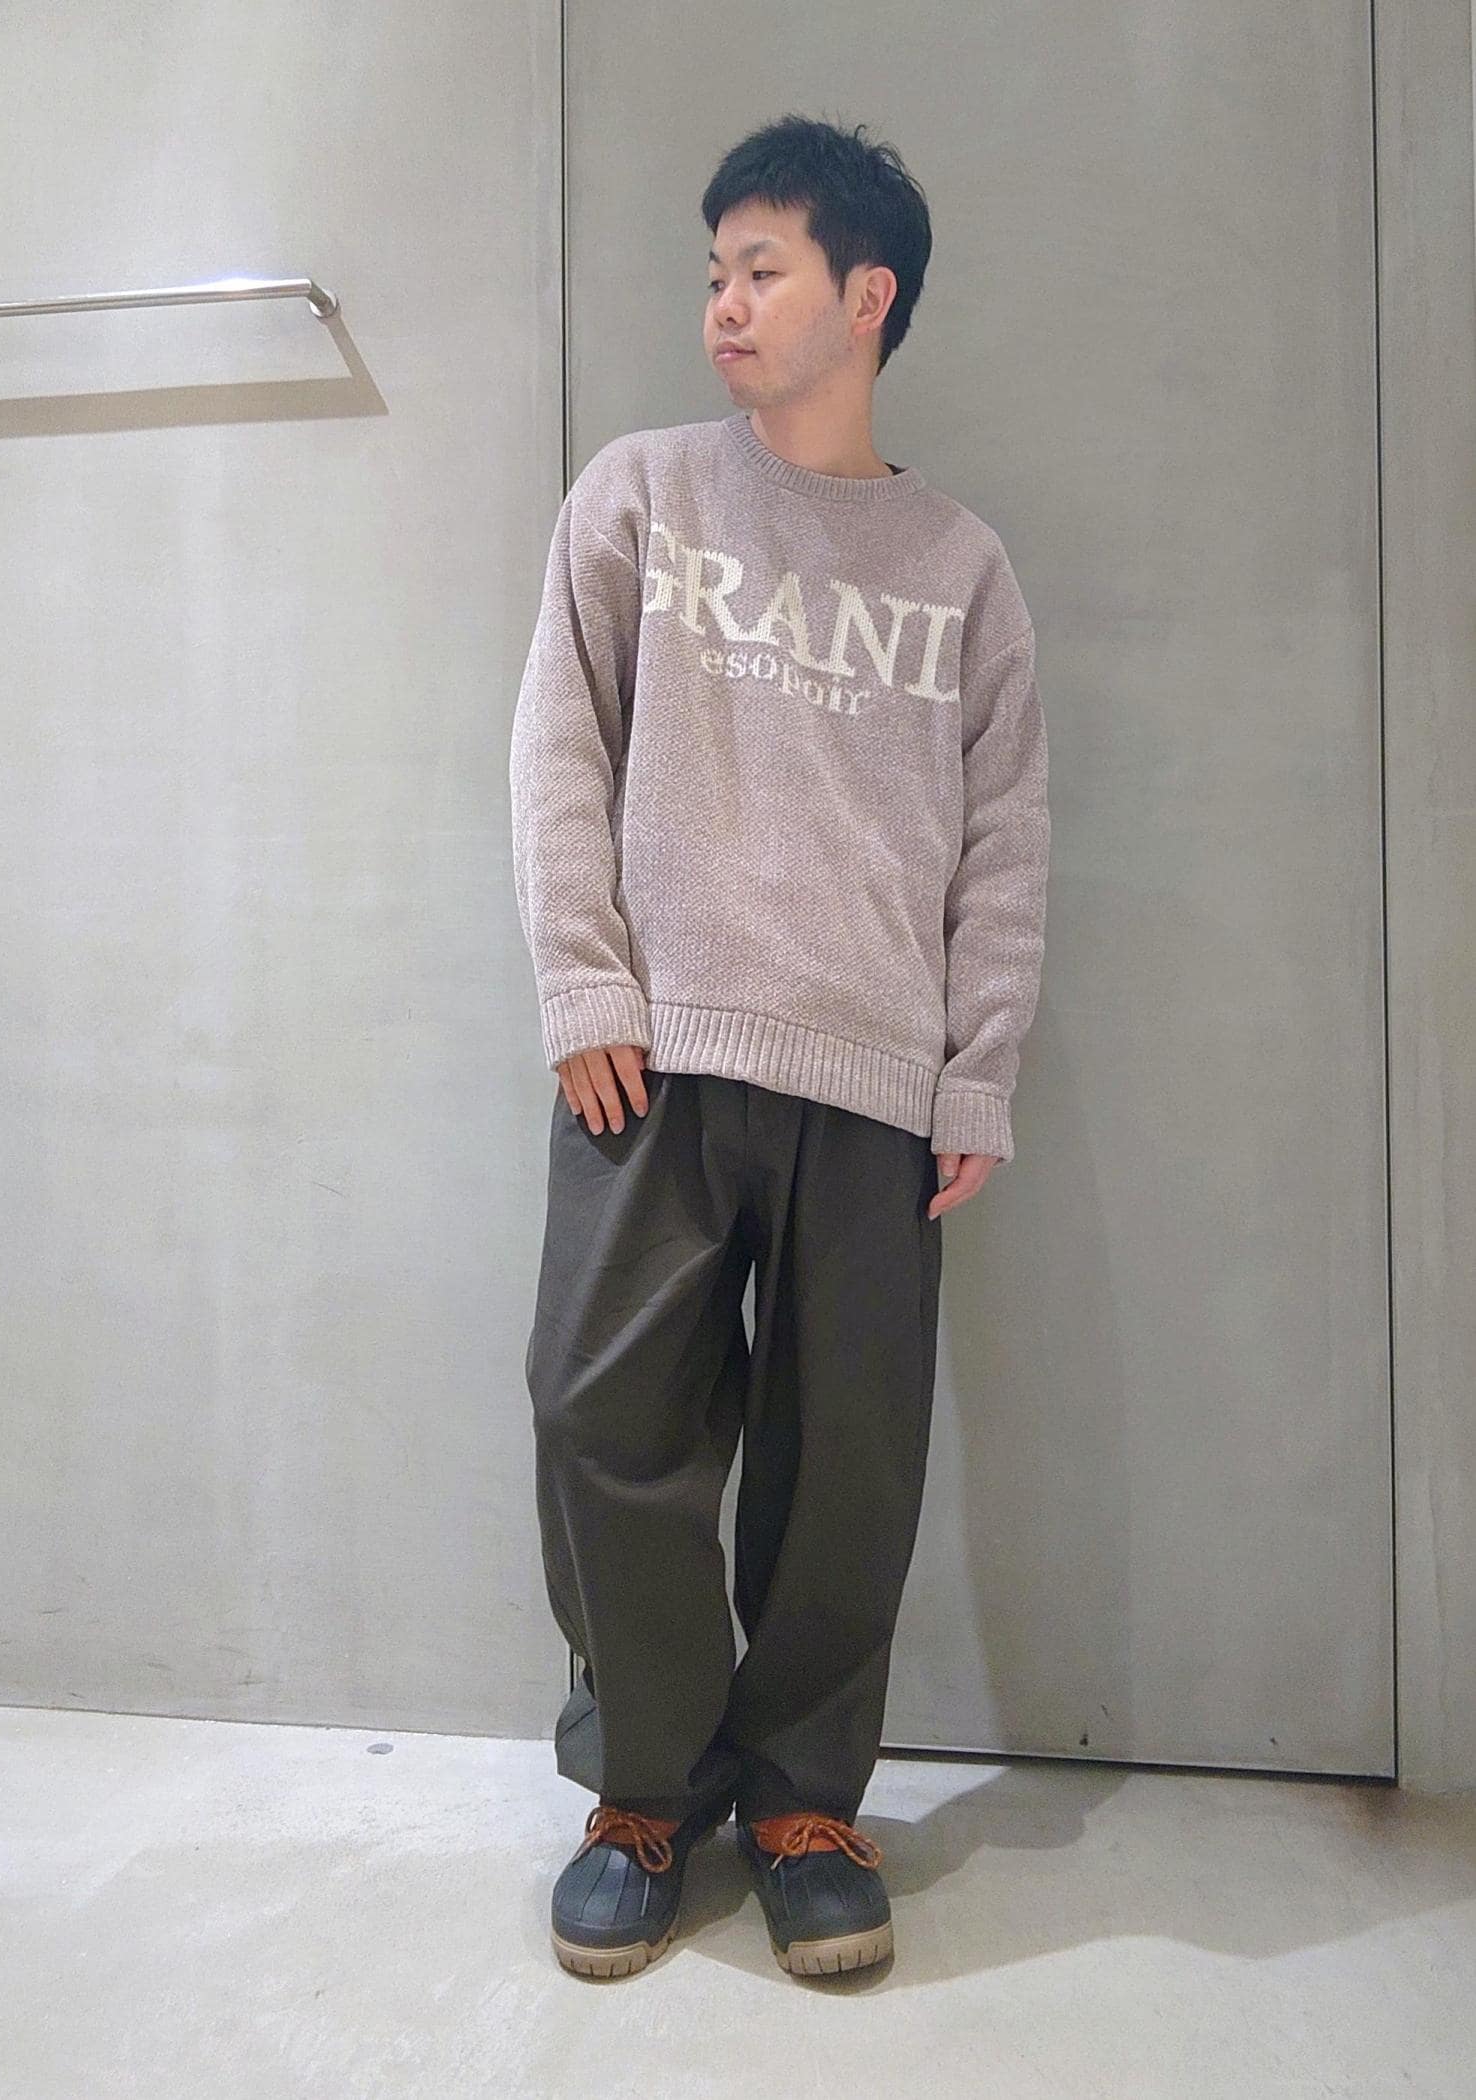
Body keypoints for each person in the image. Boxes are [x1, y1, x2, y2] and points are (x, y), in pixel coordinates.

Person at [509, 113, 1051, 1981]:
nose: (724, 305)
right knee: (600, 1418)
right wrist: (586, 984)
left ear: (866, 294)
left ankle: (807, 1798)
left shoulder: (961, 566)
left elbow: (1007, 839)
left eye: (763, 270)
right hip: (652, 1062)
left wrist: (977, 1067)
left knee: (849, 1466)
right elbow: (559, 748)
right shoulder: (641, 496)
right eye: (715, 273)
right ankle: (645, 1791)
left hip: (877, 1085)